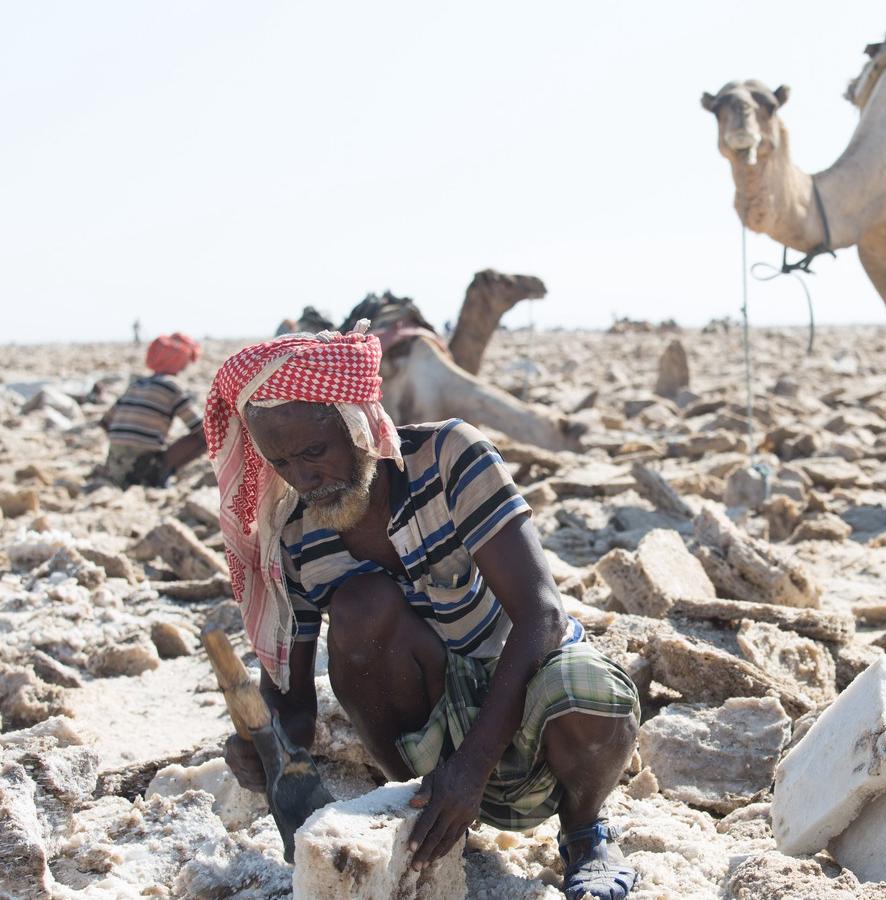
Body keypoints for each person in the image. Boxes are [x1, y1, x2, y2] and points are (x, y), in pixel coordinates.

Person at [208, 324, 638, 899]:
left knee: (590, 690)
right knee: (361, 604)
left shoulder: (449, 457)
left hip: (524, 706)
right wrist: (267, 749)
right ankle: (414, 810)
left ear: (358, 423)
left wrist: (472, 769)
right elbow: (292, 703)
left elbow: (543, 616)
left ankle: (586, 835)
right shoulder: (295, 536)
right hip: (428, 752)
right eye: (281, 460)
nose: (304, 477)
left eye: (315, 451)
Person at [101, 332, 207, 487]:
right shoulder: (171, 387)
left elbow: (105, 422)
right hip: (141, 468)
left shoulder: (137, 384)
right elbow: (200, 428)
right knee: (207, 438)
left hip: (113, 466)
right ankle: (161, 475)